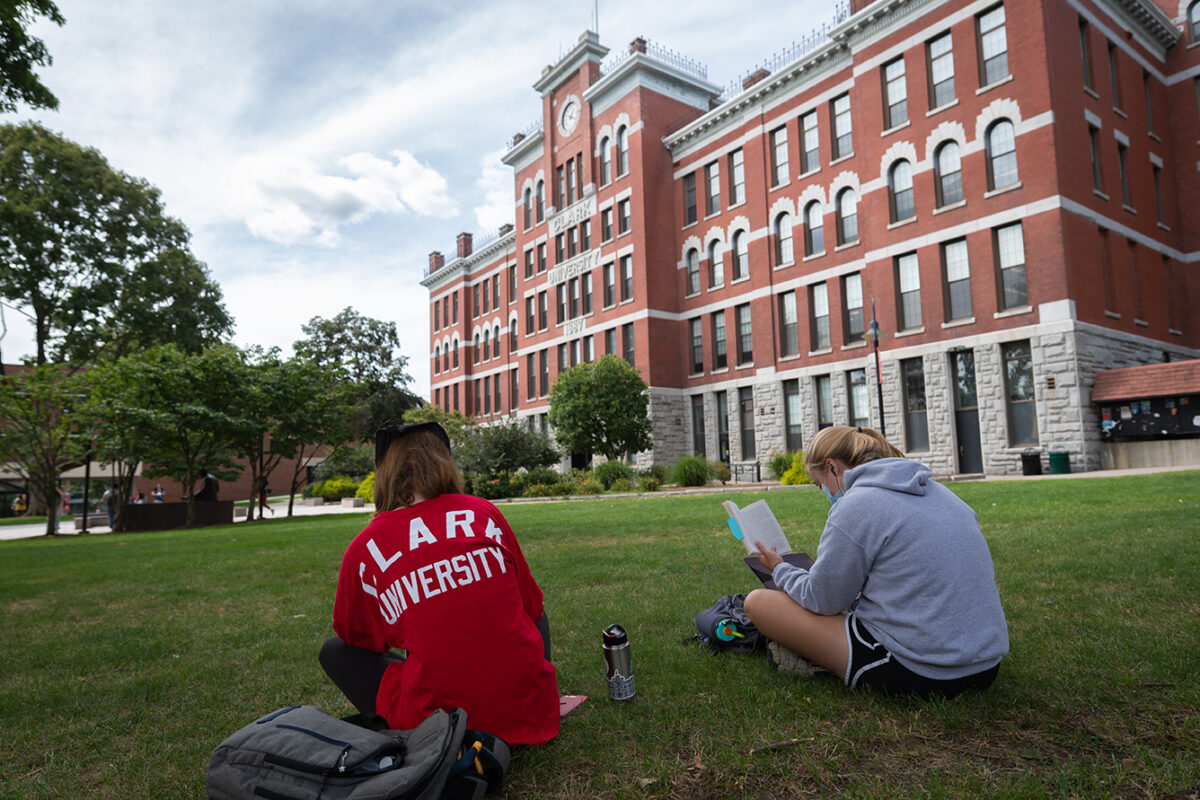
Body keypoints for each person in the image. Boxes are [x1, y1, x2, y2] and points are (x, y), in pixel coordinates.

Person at [321, 421, 559, 745]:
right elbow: (533, 609)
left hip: (441, 732)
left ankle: (418, 731)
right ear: (445, 463)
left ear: (385, 473)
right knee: (532, 610)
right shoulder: (483, 512)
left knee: (335, 651)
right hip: (533, 717)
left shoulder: (365, 549)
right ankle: (532, 696)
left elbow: (356, 639)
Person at [744, 426, 1008, 698]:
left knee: (758, 603)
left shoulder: (856, 504)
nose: (822, 490)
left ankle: (813, 659)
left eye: (818, 483)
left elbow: (822, 600)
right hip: (986, 665)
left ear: (832, 467)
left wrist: (779, 568)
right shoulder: (940, 492)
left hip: (924, 671)